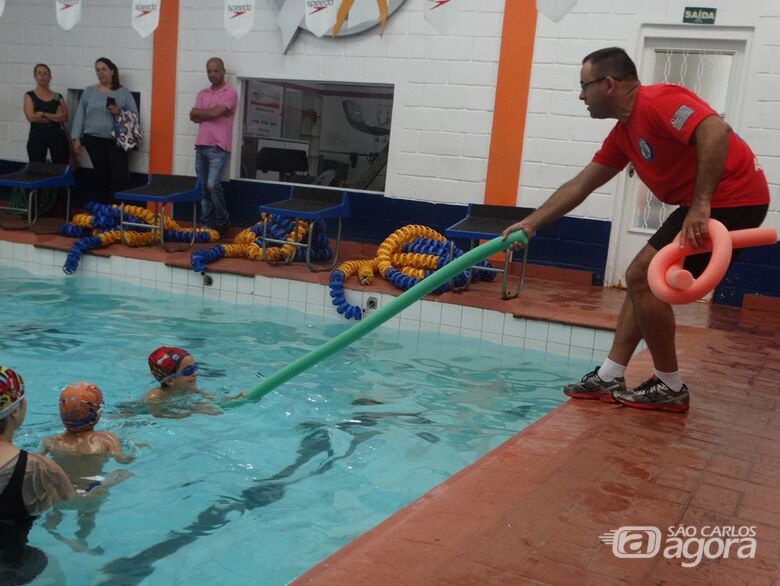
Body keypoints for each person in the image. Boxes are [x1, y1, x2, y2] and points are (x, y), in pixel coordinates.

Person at [501, 47, 769, 413]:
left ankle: (670, 385)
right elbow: (581, 185)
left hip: (732, 198)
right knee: (640, 279)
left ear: (609, 84)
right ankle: (611, 374)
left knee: (642, 277)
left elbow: (714, 130)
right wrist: (531, 223)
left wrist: (701, 205)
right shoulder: (624, 133)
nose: (581, 96)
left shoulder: (658, 101)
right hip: (702, 202)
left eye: (584, 86)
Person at [0, 366, 74, 583]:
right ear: (15, 409)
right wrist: (105, 482)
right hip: (11, 571)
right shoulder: (37, 468)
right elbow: (73, 504)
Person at [39, 382, 132, 553]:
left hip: (59, 494)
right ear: (98, 414)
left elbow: (38, 464)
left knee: (55, 508)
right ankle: (82, 539)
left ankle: (53, 530)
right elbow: (122, 460)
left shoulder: (50, 441)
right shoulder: (107, 440)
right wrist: (134, 450)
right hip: (90, 492)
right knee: (122, 475)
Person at [70, 57, 139, 204]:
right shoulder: (89, 92)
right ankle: (101, 210)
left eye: (104, 69)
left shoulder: (123, 93)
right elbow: (80, 114)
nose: (101, 73)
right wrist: (76, 138)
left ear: (112, 71)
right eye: (98, 70)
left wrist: (118, 112)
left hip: (116, 140)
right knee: (100, 175)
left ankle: (115, 210)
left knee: (118, 176)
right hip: (93, 139)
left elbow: (135, 116)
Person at [189, 57, 237, 238]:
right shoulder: (202, 93)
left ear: (223, 71)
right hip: (201, 145)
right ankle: (207, 225)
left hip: (219, 147)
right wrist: (205, 113)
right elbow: (193, 116)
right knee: (203, 187)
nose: (212, 74)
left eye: (216, 71)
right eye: (209, 71)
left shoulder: (230, 92)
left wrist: (203, 113)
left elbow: (216, 112)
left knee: (212, 184)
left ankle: (223, 221)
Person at [23, 64, 70, 164]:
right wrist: (54, 117)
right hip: (37, 136)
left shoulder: (57, 96)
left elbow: (64, 117)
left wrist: (43, 114)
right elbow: (31, 117)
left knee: (60, 166)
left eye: (45, 73)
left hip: (57, 136)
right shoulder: (30, 95)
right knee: (36, 167)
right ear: (35, 77)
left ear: (50, 77)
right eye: (39, 73)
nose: (42, 76)